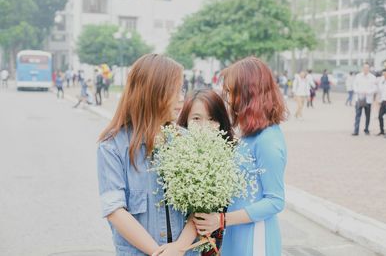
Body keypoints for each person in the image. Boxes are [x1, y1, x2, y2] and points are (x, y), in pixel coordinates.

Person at [97, 54, 198, 256]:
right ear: (153, 92)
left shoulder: (187, 141)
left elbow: (200, 205)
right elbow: (114, 210)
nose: (182, 97)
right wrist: (159, 253)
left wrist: (178, 249)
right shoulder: (112, 146)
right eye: (176, 90)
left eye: (182, 90)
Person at [193, 57, 287, 256]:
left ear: (247, 93)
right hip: (236, 234)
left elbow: (275, 201)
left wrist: (222, 220)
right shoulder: (249, 135)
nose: (227, 98)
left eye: (230, 92)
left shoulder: (267, 140)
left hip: (255, 239)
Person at [176, 89, 234, 256]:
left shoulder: (232, 155)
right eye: (196, 119)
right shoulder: (174, 155)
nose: (204, 127)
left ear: (221, 122)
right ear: (185, 121)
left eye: (212, 119)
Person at [352, 63, 377, 136]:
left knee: (367, 116)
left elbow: (375, 88)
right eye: (364, 68)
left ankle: (366, 129)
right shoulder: (358, 76)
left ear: (369, 69)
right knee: (357, 115)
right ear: (362, 68)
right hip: (359, 99)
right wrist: (358, 91)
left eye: (367, 68)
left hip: (368, 99)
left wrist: (368, 92)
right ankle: (356, 131)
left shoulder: (373, 77)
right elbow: (354, 85)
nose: (366, 69)